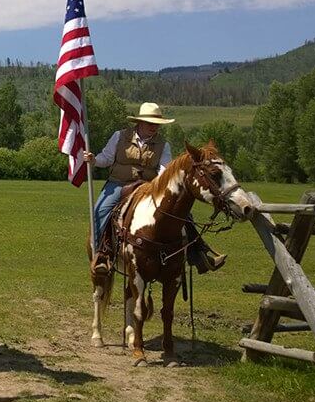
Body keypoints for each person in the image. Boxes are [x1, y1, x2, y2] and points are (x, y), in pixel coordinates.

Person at [83, 102, 226, 276]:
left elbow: (164, 170)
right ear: (140, 122)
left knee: (183, 213)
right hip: (118, 183)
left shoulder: (163, 145)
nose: (154, 127)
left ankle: (199, 254)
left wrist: (161, 186)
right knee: (101, 210)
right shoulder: (119, 136)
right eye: (150, 123)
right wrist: (93, 160)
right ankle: (101, 255)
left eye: (157, 124)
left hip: (148, 186)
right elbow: (106, 158)